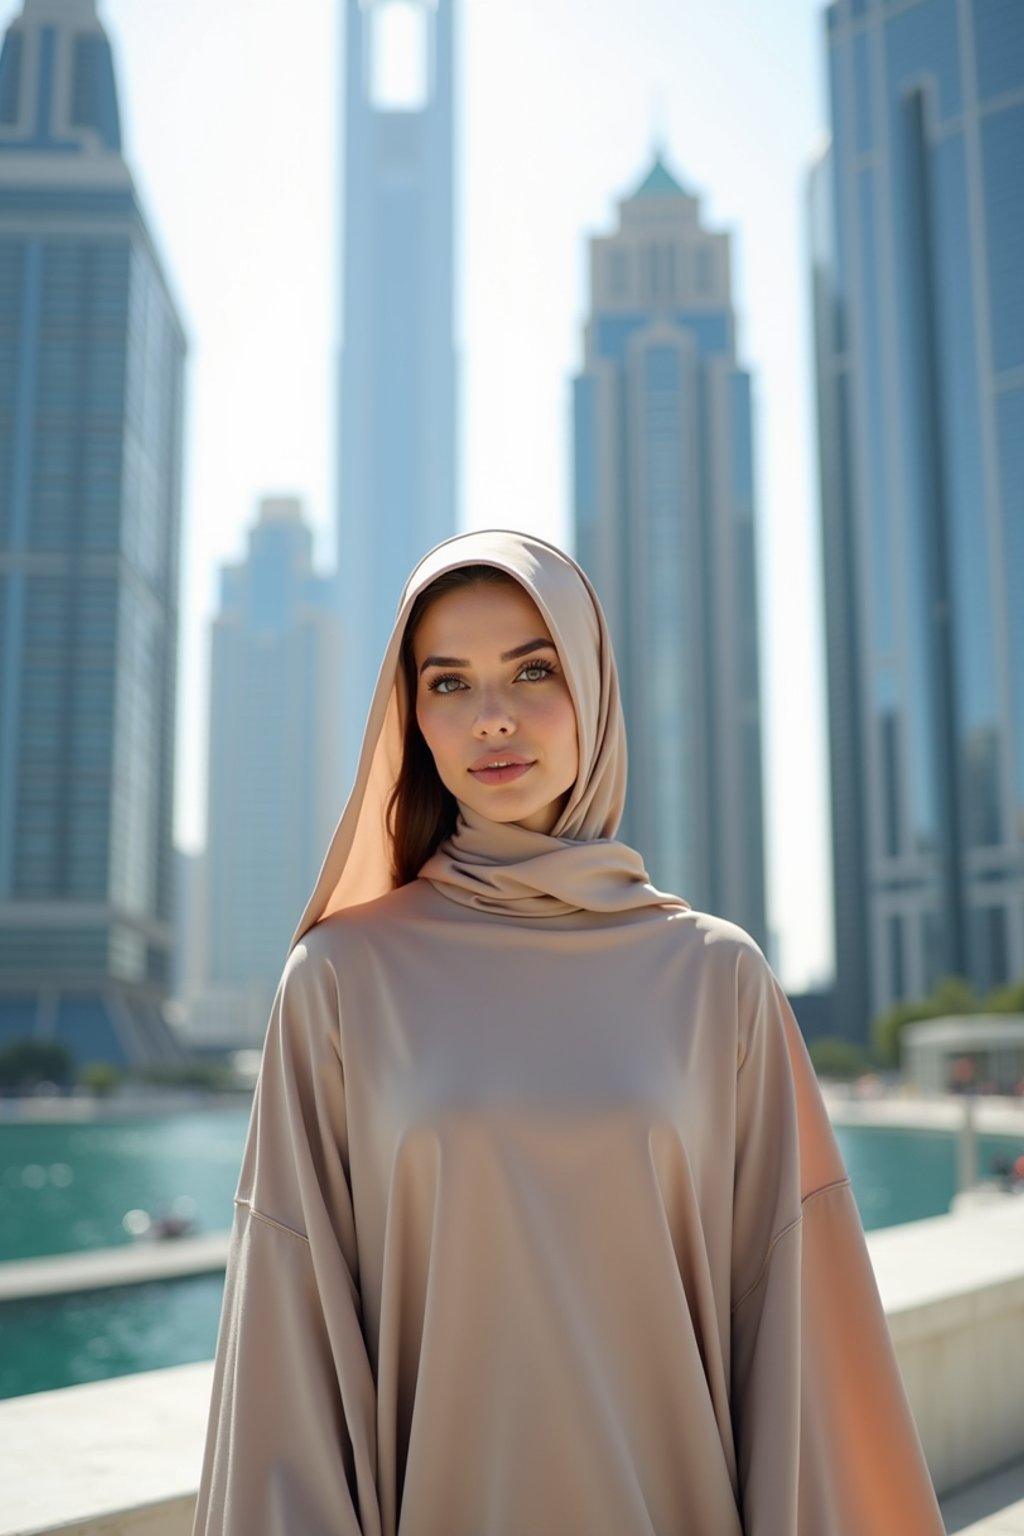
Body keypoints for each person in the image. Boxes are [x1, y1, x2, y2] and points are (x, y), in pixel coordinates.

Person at [192, 529, 945, 1536]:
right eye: (447, 684)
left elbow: (800, 1330)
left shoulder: (717, 977)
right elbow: (287, 1340)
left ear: (591, 685)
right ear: (409, 718)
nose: (491, 719)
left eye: (531, 670)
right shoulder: (337, 980)